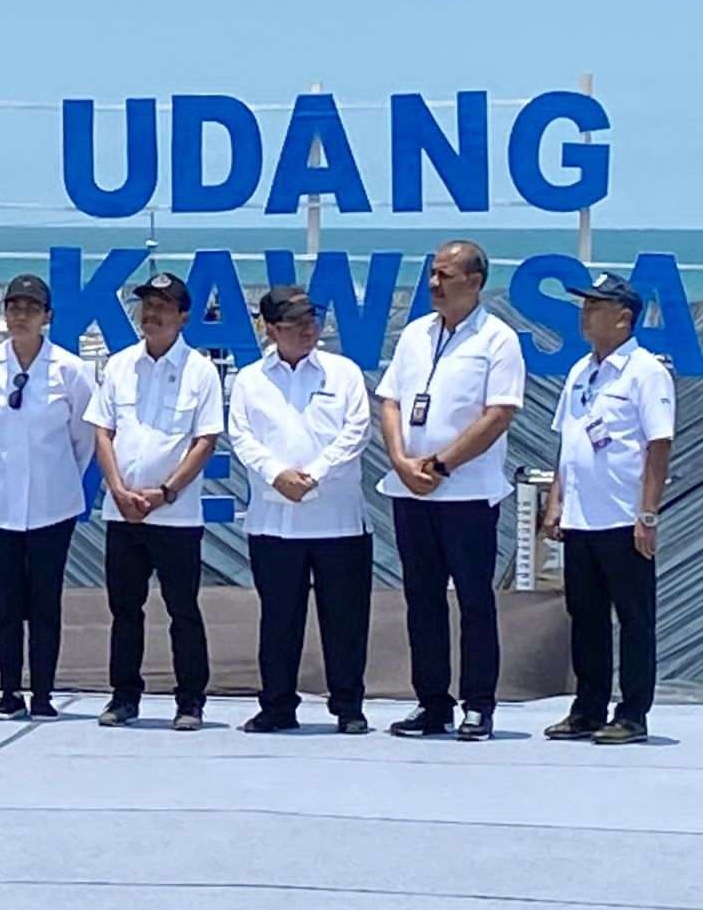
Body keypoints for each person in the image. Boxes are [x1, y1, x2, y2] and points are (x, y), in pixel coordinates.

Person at [376, 240, 524, 741]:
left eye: (444, 274)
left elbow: (499, 414)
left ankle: (478, 704)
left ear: (475, 281)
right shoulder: (416, 333)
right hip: (411, 491)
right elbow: (391, 400)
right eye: (432, 274)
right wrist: (400, 460)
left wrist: (440, 465)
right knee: (422, 600)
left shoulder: (498, 339)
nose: (434, 284)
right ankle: (431, 702)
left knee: (474, 601)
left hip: (466, 495)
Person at [227, 286, 373, 735]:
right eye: (296, 322)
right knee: (278, 619)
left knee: (345, 617)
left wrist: (313, 473)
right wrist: (276, 475)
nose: (309, 329)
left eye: (313, 319)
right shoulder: (250, 379)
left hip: (339, 517)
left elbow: (358, 431)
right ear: (271, 329)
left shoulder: (342, 372)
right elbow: (242, 436)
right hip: (274, 519)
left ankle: (348, 706)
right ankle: (276, 704)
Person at [83, 272, 223, 731]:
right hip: (122, 512)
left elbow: (205, 441)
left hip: (176, 516)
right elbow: (102, 431)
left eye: (164, 305)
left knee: (183, 610)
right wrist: (118, 488)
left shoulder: (200, 371)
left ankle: (190, 701)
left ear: (183, 316)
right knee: (125, 610)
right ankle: (124, 696)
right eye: (147, 303)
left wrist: (166, 492)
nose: (152, 312)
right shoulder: (120, 365)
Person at [542, 273, 673, 745]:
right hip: (581, 517)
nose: (585, 313)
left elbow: (659, 446)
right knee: (587, 618)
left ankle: (633, 713)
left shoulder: (645, 371)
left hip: (623, 518)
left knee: (634, 619)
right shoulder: (582, 371)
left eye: (596, 306)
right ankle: (588, 708)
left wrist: (648, 514)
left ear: (623, 318)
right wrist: (556, 502)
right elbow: (569, 442)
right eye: (584, 305)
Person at [0, 274, 95, 722]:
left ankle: (42, 693)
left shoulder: (71, 370)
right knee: (4, 603)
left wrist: (54, 479)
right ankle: (7, 690)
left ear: (47, 317)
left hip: (52, 505)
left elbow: (82, 440)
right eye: (14, 307)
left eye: (31, 308)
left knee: (44, 603)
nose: (21, 315)